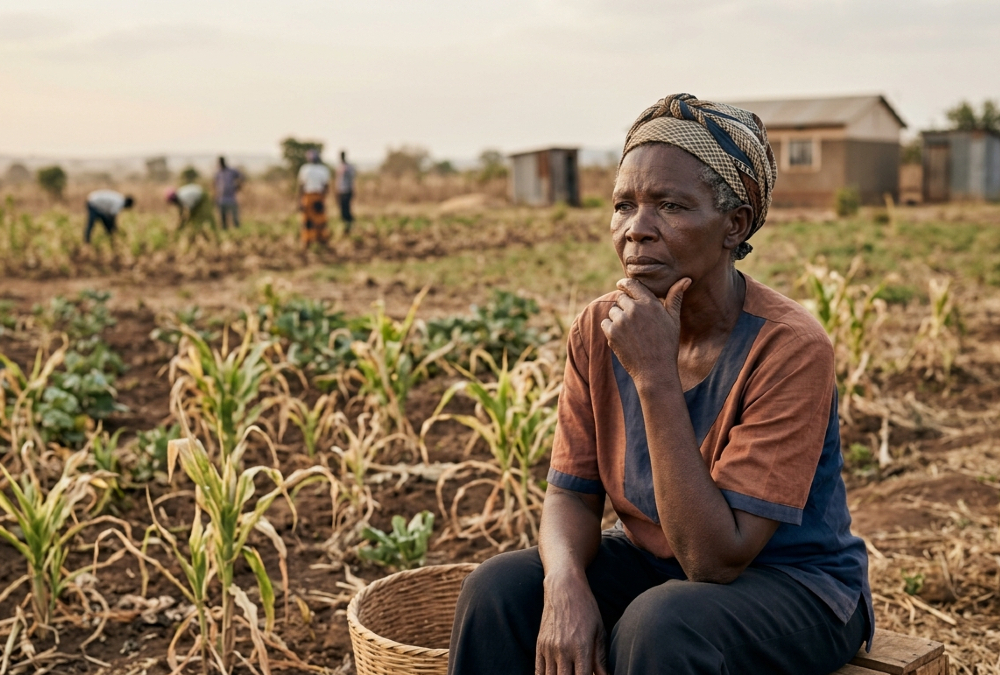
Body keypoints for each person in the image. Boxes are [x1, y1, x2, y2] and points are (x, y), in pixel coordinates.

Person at [448, 94, 873, 675]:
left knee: (661, 625)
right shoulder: (598, 329)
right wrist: (566, 586)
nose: (636, 232)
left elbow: (715, 561)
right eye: (624, 206)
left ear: (735, 224)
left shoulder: (788, 347)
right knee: (497, 592)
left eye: (670, 206)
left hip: (794, 586)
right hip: (660, 567)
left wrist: (654, 375)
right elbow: (571, 491)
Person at [297, 149, 331, 247]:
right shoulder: (323, 169)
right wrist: (323, 199)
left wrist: (299, 201)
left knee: (309, 221)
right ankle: (319, 240)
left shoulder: (304, 169)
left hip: (309, 196)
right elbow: (326, 187)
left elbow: (301, 186)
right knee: (317, 220)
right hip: (317, 197)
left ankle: (309, 241)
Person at [214, 156, 243, 229]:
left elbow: (241, 177)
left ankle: (237, 231)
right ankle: (225, 231)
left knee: (235, 217)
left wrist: (238, 186)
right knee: (223, 218)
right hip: (221, 199)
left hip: (231, 198)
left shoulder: (232, 171)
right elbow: (215, 185)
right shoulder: (218, 173)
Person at [335, 150, 356, 233]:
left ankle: (350, 225)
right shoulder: (339, 166)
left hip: (347, 191)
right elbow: (337, 181)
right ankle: (345, 226)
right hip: (340, 191)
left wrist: (352, 190)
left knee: (347, 209)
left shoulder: (348, 167)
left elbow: (351, 179)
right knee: (342, 209)